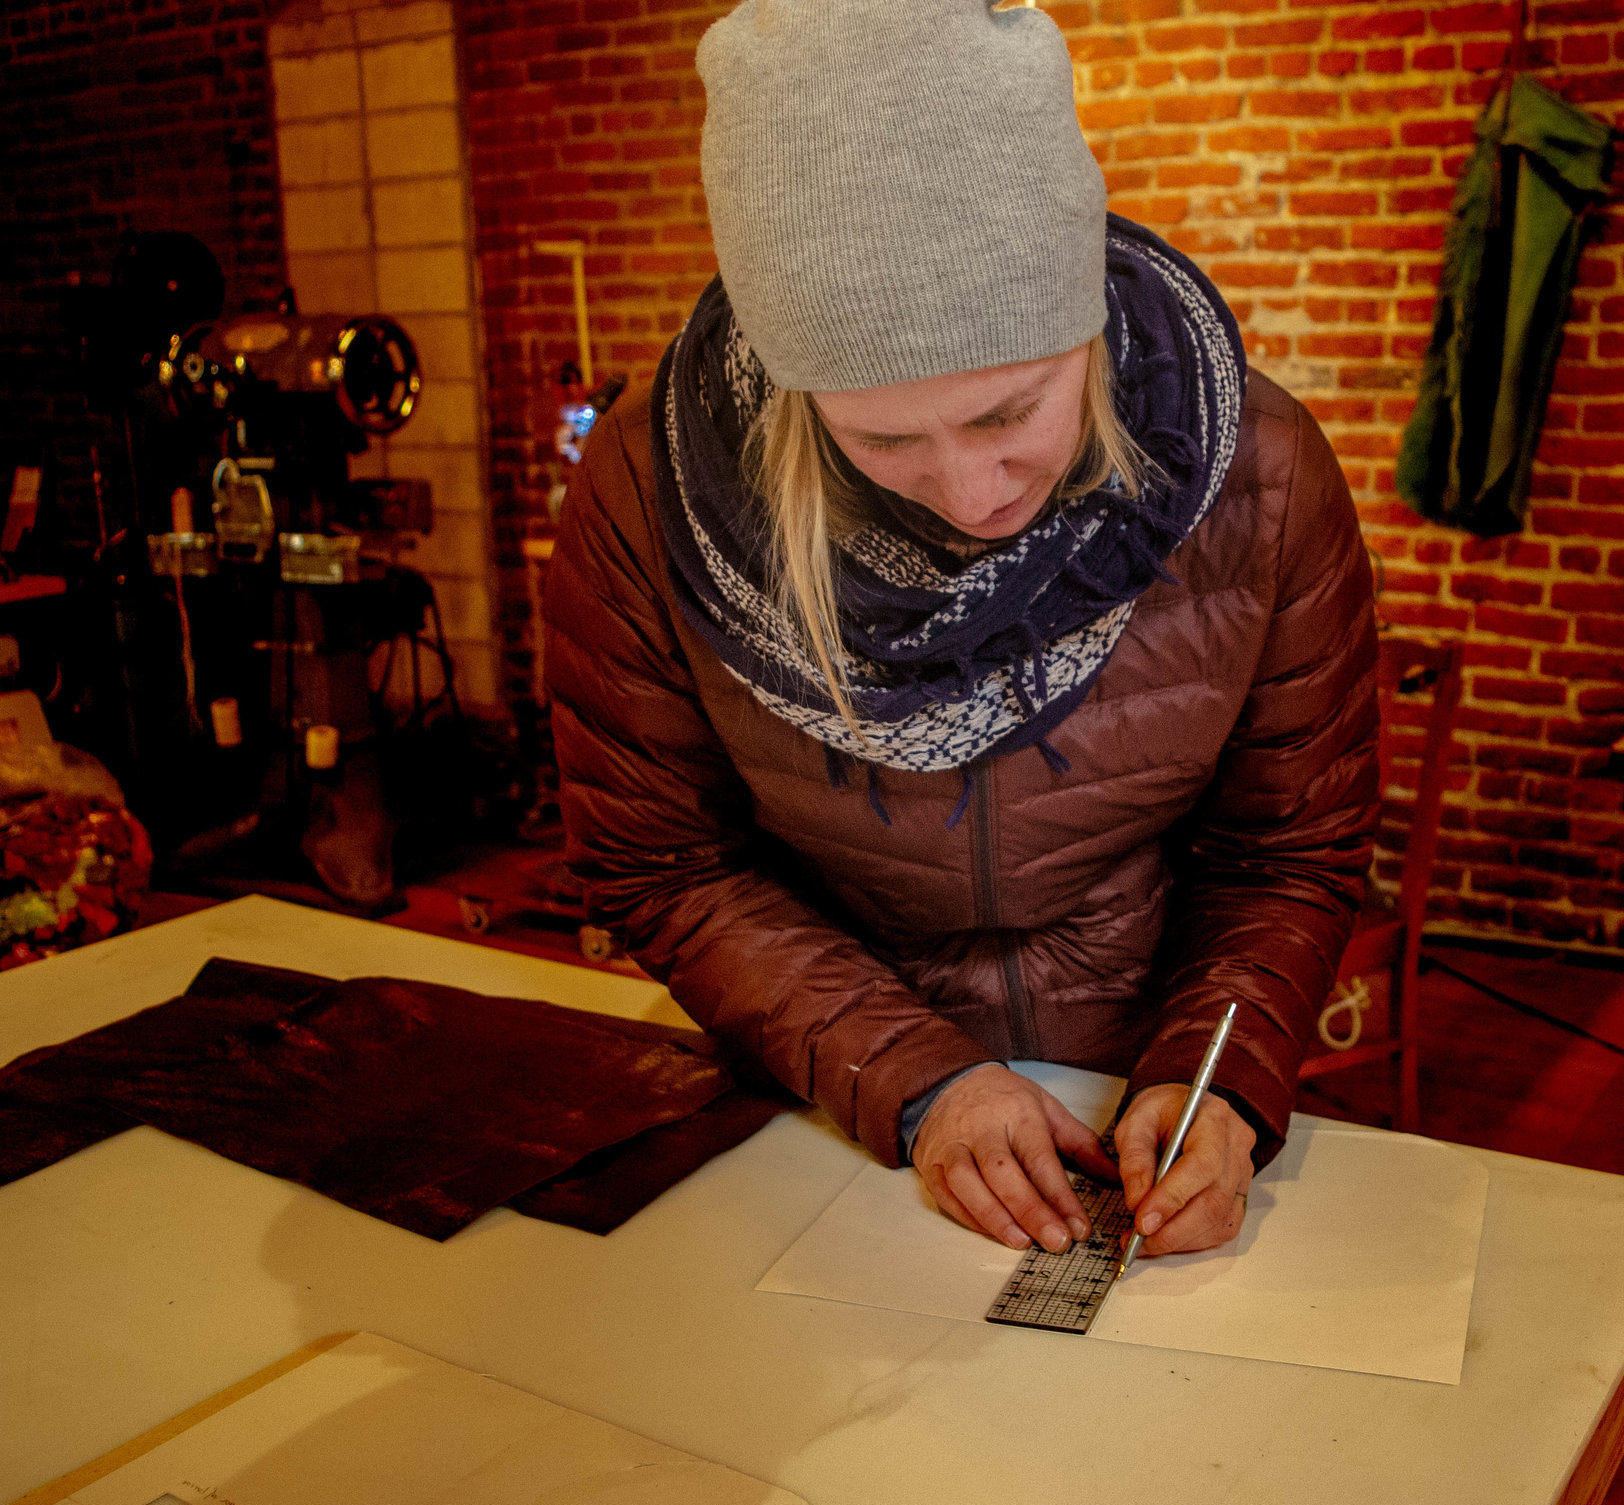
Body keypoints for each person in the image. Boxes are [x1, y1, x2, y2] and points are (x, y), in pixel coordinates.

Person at [546, 0, 1379, 1260]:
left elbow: (1286, 850)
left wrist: (1218, 1077)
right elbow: (663, 865)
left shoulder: (1258, 475)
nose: (972, 491)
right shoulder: (646, 490)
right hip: (824, 1101)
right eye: (880, 439)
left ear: (1086, 327)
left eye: (1011, 411)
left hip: (1141, 1074)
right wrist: (919, 1080)